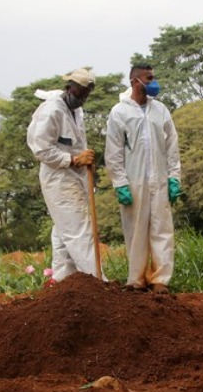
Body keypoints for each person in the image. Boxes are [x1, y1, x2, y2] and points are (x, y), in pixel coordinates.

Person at [105, 63, 182, 293]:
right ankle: (136, 280)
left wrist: (174, 177)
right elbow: (114, 151)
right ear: (135, 81)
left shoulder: (161, 110)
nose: (153, 83)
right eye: (149, 78)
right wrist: (120, 183)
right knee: (135, 230)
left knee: (162, 229)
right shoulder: (119, 112)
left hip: (159, 179)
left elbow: (172, 145)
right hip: (134, 181)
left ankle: (160, 281)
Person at [26, 67, 104, 282]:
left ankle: (62, 281)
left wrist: (84, 160)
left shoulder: (76, 111)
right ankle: (97, 282)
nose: (83, 99)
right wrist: (72, 160)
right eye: (81, 93)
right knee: (79, 230)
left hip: (76, 175)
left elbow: (77, 143)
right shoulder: (51, 111)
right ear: (70, 88)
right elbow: (40, 148)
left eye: (87, 94)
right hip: (58, 178)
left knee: (63, 231)